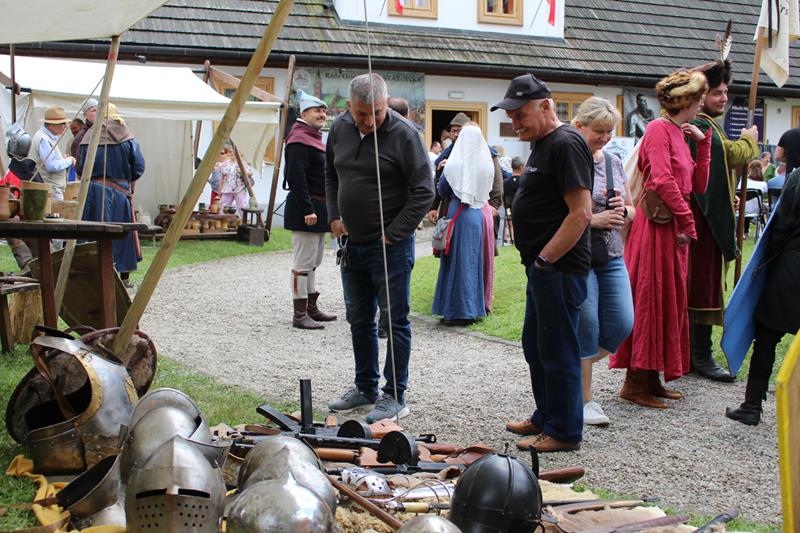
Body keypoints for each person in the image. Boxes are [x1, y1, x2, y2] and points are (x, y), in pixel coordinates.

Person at [325, 73, 434, 422]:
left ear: (386, 103)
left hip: (390, 247)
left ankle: (395, 394)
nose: (370, 121)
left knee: (394, 319)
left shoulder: (404, 135)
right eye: (362, 114)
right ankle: (365, 387)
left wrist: (394, 233)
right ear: (348, 107)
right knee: (358, 318)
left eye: (377, 112)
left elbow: (425, 190)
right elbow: (331, 174)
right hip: (351, 244)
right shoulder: (339, 128)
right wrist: (334, 214)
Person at [493, 73, 593, 453]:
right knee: (537, 345)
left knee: (558, 348)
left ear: (546, 106)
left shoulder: (566, 144)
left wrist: (546, 260)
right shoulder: (543, 143)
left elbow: (581, 213)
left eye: (521, 115)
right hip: (544, 267)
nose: (515, 123)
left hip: (559, 268)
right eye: (512, 116)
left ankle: (564, 431)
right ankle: (547, 416)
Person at [610, 70, 711, 408]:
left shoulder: (679, 133)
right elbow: (663, 181)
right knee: (650, 299)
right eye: (699, 99)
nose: (701, 105)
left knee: (667, 299)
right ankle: (634, 382)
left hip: (671, 228)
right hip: (656, 228)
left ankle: (651, 377)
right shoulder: (657, 130)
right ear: (687, 101)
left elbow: (698, 185)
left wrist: (704, 145)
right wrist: (688, 222)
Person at [686, 60, 758, 383]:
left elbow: (715, 172)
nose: (724, 98)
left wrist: (728, 196)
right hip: (700, 223)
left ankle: (694, 353)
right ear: (700, 97)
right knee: (702, 285)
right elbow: (728, 154)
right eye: (717, 92)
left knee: (705, 283)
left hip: (704, 218)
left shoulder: (708, 125)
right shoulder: (698, 125)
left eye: (726, 92)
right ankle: (698, 355)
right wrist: (749, 139)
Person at [571, 97, 635, 426]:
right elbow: (558, 214)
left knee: (622, 322)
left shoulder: (613, 161)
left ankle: (566, 366)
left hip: (611, 255)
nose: (606, 137)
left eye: (610, 132)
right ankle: (583, 400)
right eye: (599, 131)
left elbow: (632, 208)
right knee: (587, 326)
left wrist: (624, 211)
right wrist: (593, 220)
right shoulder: (568, 158)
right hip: (579, 255)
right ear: (579, 125)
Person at [725, 168, 800, 426]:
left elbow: (780, 226)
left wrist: (772, 260)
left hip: (793, 266)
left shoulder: (798, 178)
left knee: (767, 335)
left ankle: (752, 406)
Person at [283, 89, 337, 330]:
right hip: (306, 209)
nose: (322, 114)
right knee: (303, 263)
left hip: (318, 208)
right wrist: (307, 209)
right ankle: (299, 314)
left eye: (324, 111)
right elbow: (296, 177)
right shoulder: (298, 140)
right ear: (304, 113)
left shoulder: (311, 137)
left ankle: (311, 309)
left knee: (313, 261)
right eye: (317, 110)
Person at [432, 125, 495, 325]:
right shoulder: (486, 165)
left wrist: (443, 171)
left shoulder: (453, 165)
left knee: (455, 262)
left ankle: (455, 311)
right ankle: (472, 309)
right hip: (478, 216)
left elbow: (442, 190)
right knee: (473, 262)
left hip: (458, 215)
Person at [77, 103, 145, 286]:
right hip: (118, 193)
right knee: (121, 233)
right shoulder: (126, 137)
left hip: (93, 194)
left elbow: (80, 168)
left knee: (94, 234)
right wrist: (126, 178)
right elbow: (139, 167)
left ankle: (92, 274)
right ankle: (123, 277)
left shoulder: (88, 137)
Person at [29, 106, 77, 202]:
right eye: (63, 123)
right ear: (53, 125)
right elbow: (51, 165)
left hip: (51, 189)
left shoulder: (45, 137)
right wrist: (68, 161)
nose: (66, 126)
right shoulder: (44, 139)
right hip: (51, 190)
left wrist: (62, 160)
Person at [215, 144, 253, 217]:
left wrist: (242, 171)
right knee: (224, 206)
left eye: (233, 152)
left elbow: (250, 173)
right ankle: (222, 220)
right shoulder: (225, 163)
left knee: (242, 206)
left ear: (238, 154)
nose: (231, 153)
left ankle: (244, 220)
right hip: (227, 189)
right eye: (230, 152)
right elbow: (222, 177)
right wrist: (219, 190)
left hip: (239, 189)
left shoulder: (242, 163)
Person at [741, 159, 768, 238]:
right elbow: (765, 194)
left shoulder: (743, 182)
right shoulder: (763, 184)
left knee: (747, 204)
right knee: (766, 207)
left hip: (742, 209)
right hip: (757, 209)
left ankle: (745, 232)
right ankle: (764, 230)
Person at [72, 98, 97, 163]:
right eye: (94, 110)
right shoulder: (81, 136)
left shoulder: (106, 131)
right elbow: (77, 163)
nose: (97, 112)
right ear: (85, 115)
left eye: (99, 109)